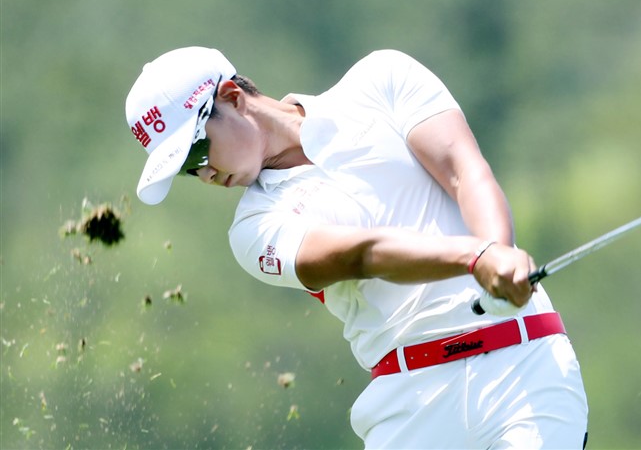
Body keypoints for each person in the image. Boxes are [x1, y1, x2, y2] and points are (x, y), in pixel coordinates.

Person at [124, 47, 589, 448]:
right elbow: (363, 255)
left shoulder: (381, 79)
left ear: (232, 96)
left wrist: (497, 250)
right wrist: (477, 258)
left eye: (196, 152)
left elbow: (462, 170)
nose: (204, 174)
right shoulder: (252, 228)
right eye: (188, 170)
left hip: (524, 364)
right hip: (409, 403)